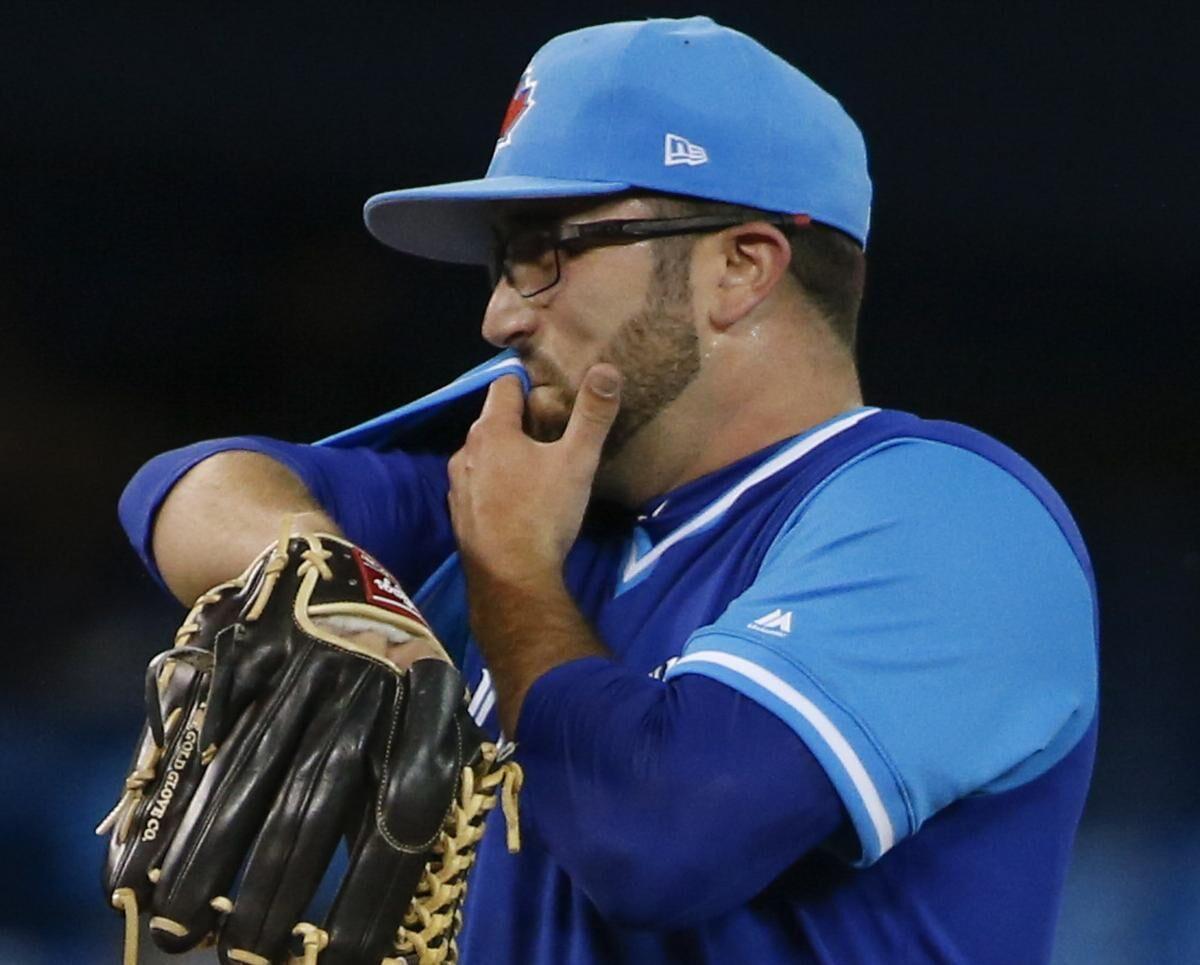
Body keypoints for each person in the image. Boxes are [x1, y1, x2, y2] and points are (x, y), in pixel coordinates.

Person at [119, 16, 1098, 964]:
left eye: (548, 250)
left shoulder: (955, 519)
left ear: (739, 267)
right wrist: (322, 573)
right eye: (504, 260)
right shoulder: (548, 475)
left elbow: (659, 838)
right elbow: (191, 486)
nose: (500, 312)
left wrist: (510, 569)